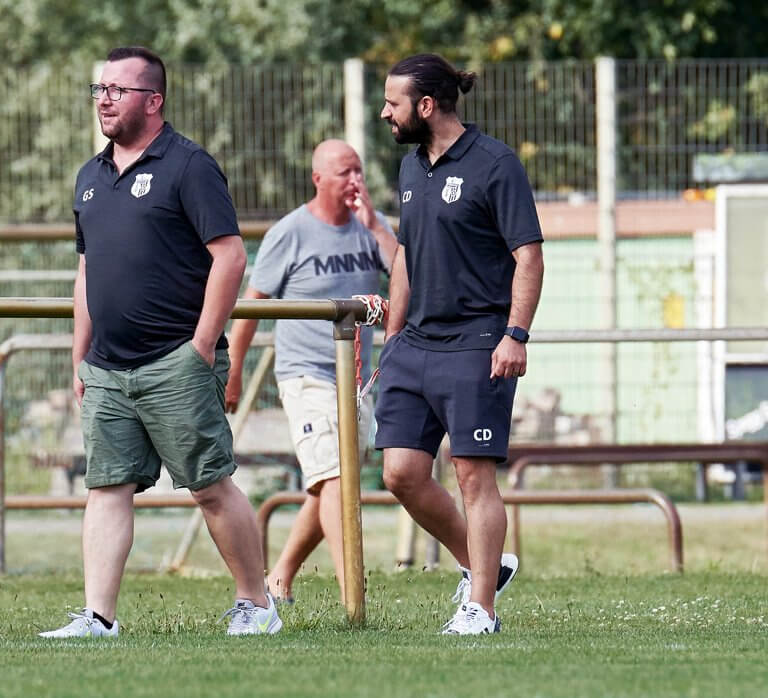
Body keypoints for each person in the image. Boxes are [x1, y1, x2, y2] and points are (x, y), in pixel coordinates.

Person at [40, 46, 281, 638]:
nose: (103, 99)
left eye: (117, 90)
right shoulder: (89, 177)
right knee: (106, 488)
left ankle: (257, 604)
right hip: (107, 368)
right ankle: (99, 618)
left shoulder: (189, 165)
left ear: (153, 100)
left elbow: (231, 256)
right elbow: (85, 273)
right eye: (98, 89)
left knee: (208, 487)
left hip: (176, 360)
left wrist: (202, 347)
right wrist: (79, 357)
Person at [375, 54, 544, 635]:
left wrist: (515, 334)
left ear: (426, 106)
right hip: (414, 345)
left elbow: (529, 257)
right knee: (400, 473)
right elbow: (405, 258)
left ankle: (481, 608)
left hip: (477, 343)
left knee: (473, 475)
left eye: (393, 103)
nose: (384, 112)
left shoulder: (496, 164)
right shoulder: (409, 168)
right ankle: (484, 568)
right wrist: (392, 338)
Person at [225, 139, 397, 602]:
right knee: (335, 481)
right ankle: (353, 597)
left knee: (328, 486)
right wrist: (235, 368)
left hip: (356, 380)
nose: (354, 181)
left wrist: (376, 226)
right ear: (318, 179)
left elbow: (404, 280)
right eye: (344, 172)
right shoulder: (291, 232)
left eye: (358, 170)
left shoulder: (372, 228)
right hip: (306, 375)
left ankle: (279, 576)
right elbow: (250, 305)